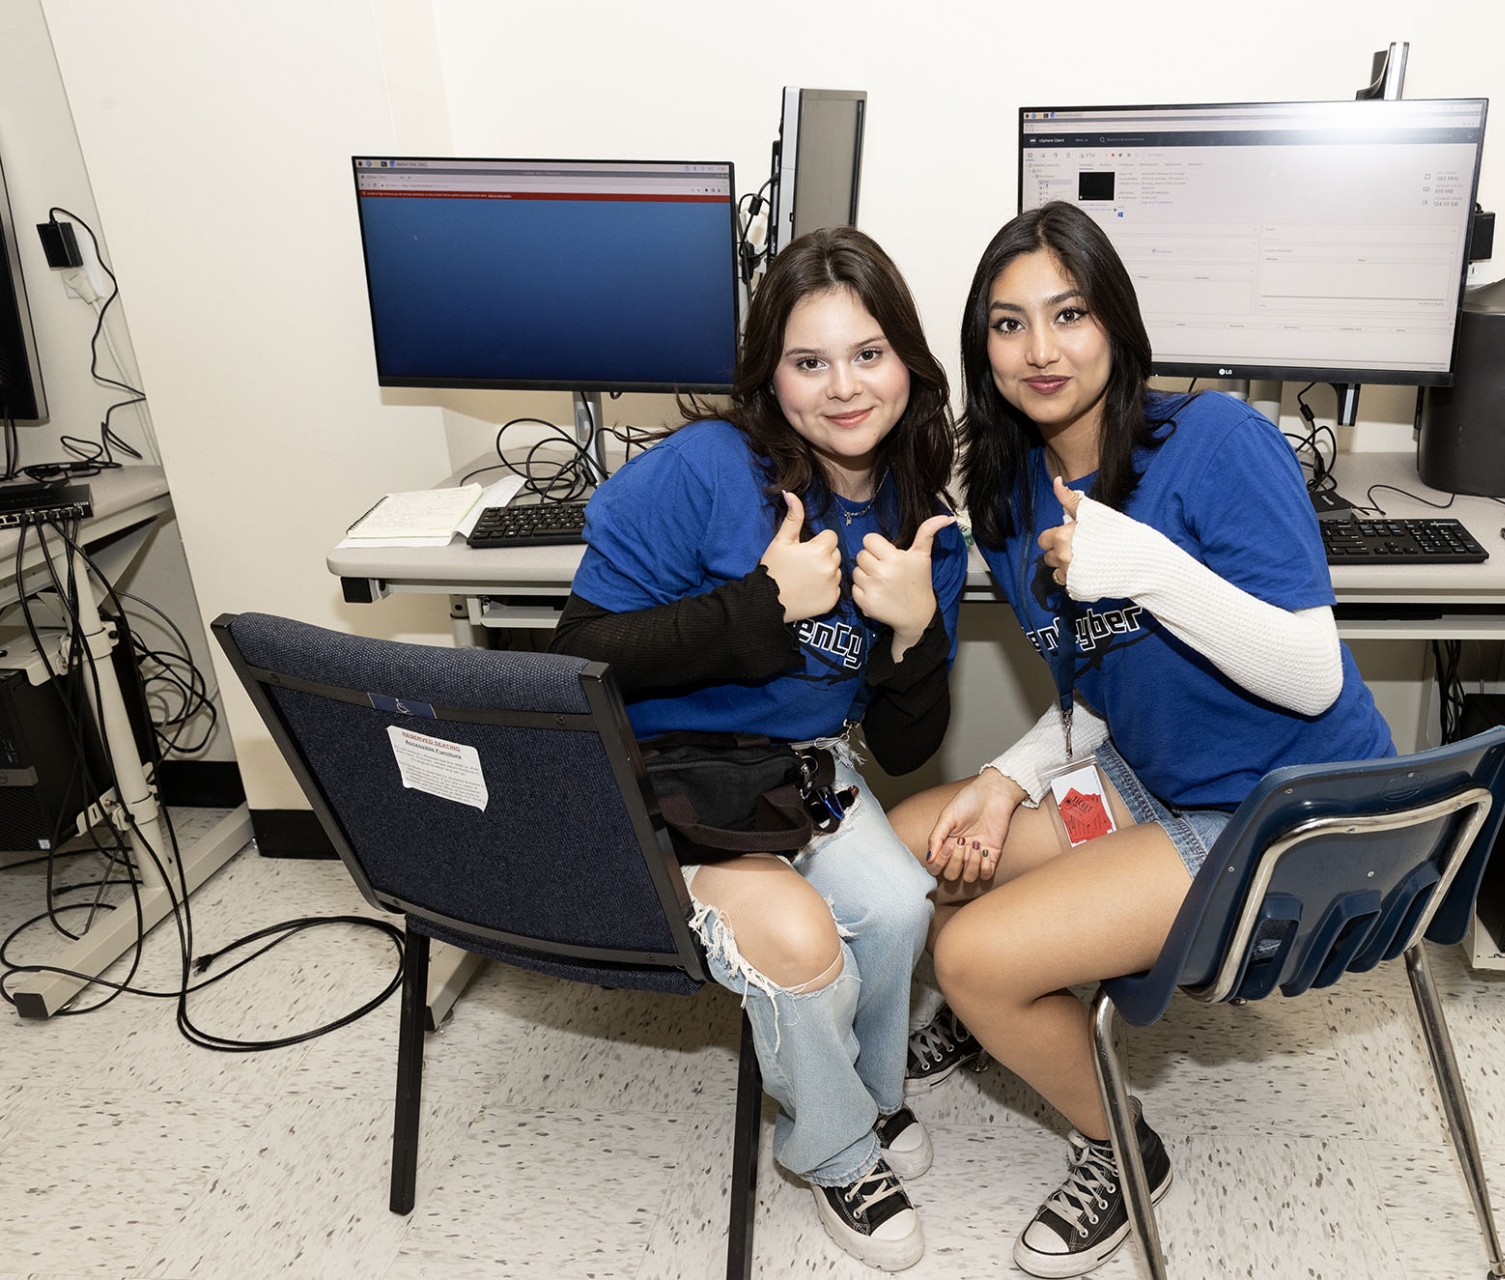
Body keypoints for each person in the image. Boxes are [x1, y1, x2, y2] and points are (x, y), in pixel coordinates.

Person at [888, 202, 1395, 1278]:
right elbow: (1101, 685)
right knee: (914, 844)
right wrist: (999, 777)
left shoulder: (1217, 442)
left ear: (1113, 320)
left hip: (1287, 808)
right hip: (1155, 775)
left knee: (970, 955)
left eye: (1068, 313)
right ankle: (1013, 1015)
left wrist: (1151, 565)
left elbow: (1310, 673)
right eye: (1008, 323)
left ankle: (1120, 1151)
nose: (1041, 349)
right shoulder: (1014, 489)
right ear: (982, 345)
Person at [551, 226, 967, 1272]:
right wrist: (757, 608)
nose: (842, 387)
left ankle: (866, 1103)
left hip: (802, 767)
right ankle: (832, 1150)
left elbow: (910, 746)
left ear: (908, 363)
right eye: (808, 360)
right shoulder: (701, 470)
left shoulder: (920, 519)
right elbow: (576, 656)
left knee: (899, 900)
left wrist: (913, 635)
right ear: (769, 377)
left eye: (867, 354)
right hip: (670, 770)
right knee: (794, 937)